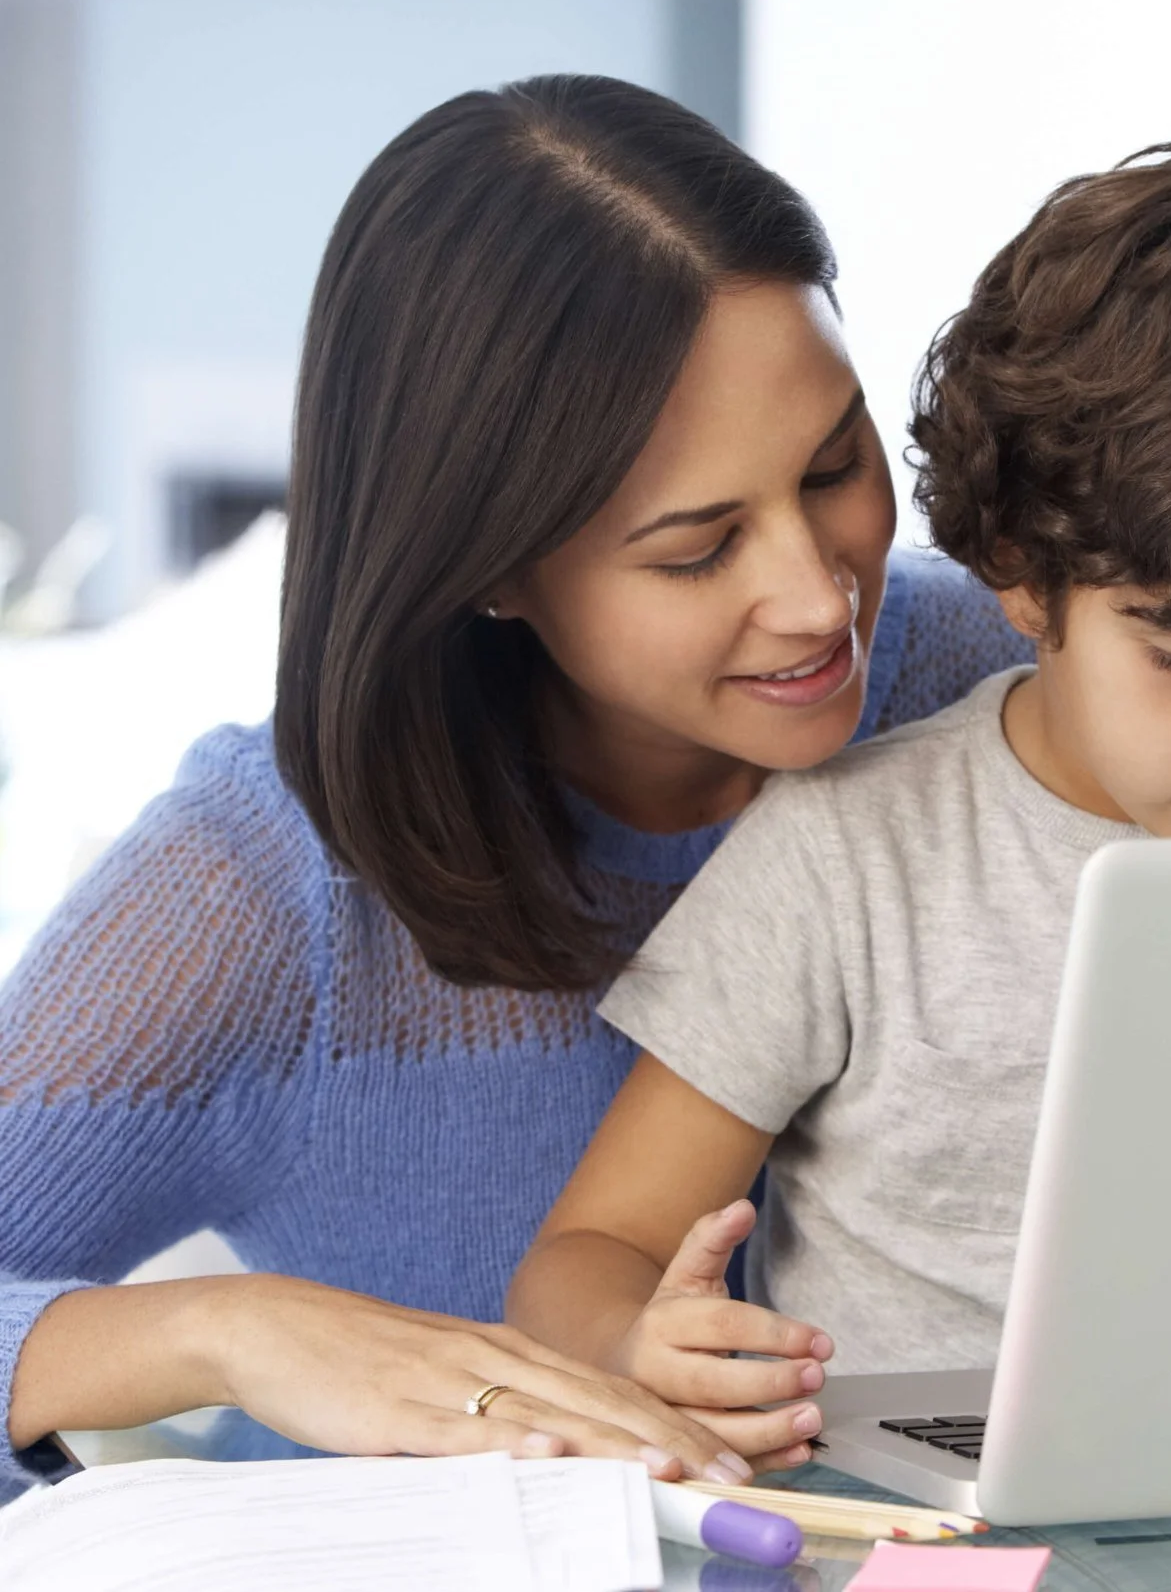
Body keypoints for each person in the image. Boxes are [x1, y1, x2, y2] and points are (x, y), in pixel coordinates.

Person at [0, 74, 1032, 1503]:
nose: (816, 598)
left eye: (834, 465)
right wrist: (228, 1334)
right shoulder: (264, 890)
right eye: (695, 547)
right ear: (485, 565)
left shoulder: (992, 683)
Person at [505, 143, 1171, 1404]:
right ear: (1021, 575)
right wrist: (631, 1343)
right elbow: (583, 1255)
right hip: (918, 1519)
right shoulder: (849, 858)